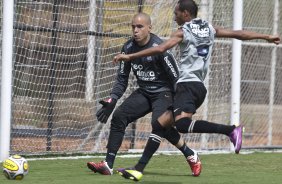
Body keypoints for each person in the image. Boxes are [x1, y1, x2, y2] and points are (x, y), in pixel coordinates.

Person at [113, 0, 281, 181]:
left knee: (182, 125)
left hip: (187, 85)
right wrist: (266, 37)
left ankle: (231, 130)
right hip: (197, 86)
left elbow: (160, 48)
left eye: (176, 13)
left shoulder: (183, 31)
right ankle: (138, 169)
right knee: (160, 124)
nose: (174, 16)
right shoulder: (209, 28)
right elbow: (238, 33)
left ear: (185, 14)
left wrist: (129, 56)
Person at [86, 12, 201, 179]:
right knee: (119, 116)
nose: (135, 30)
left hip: (164, 93)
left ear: (149, 28)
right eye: (133, 27)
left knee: (159, 124)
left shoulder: (160, 48)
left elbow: (176, 78)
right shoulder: (127, 48)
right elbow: (122, 80)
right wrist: (113, 98)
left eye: (140, 27)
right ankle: (108, 165)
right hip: (144, 92)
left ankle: (191, 155)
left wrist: (181, 103)